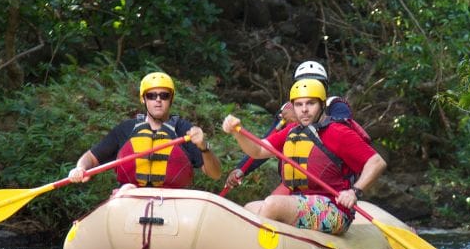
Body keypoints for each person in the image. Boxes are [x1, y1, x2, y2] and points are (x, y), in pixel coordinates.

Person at [221, 78, 385, 235]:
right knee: (249, 208)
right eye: (299, 104)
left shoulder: (338, 132)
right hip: (301, 200)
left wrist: (354, 192)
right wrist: (238, 132)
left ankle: (258, 247)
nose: (304, 109)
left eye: (310, 103)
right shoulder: (292, 130)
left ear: (322, 105)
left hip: (335, 210)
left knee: (272, 204)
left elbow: (377, 162)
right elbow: (257, 151)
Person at [222, 60, 369, 194]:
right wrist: (242, 168)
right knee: (267, 205)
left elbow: (343, 129)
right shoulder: (288, 109)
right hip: (295, 180)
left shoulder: (335, 105)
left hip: (330, 180)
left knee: (273, 206)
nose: (308, 87)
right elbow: (266, 144)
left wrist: (299, 118)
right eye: (303, 82)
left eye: (315, 83)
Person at [68, 71, 221, 192]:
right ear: (144, 99)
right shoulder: (126, 129)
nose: (158, 100)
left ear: (171, 99)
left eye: (164, 95)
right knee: (126, 189)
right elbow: (91, 158)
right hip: (131, 196)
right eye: (151, 95)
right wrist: (80, 168)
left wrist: (204, 147)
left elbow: (215, 174)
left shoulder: (184, 130)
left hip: (173, 200)